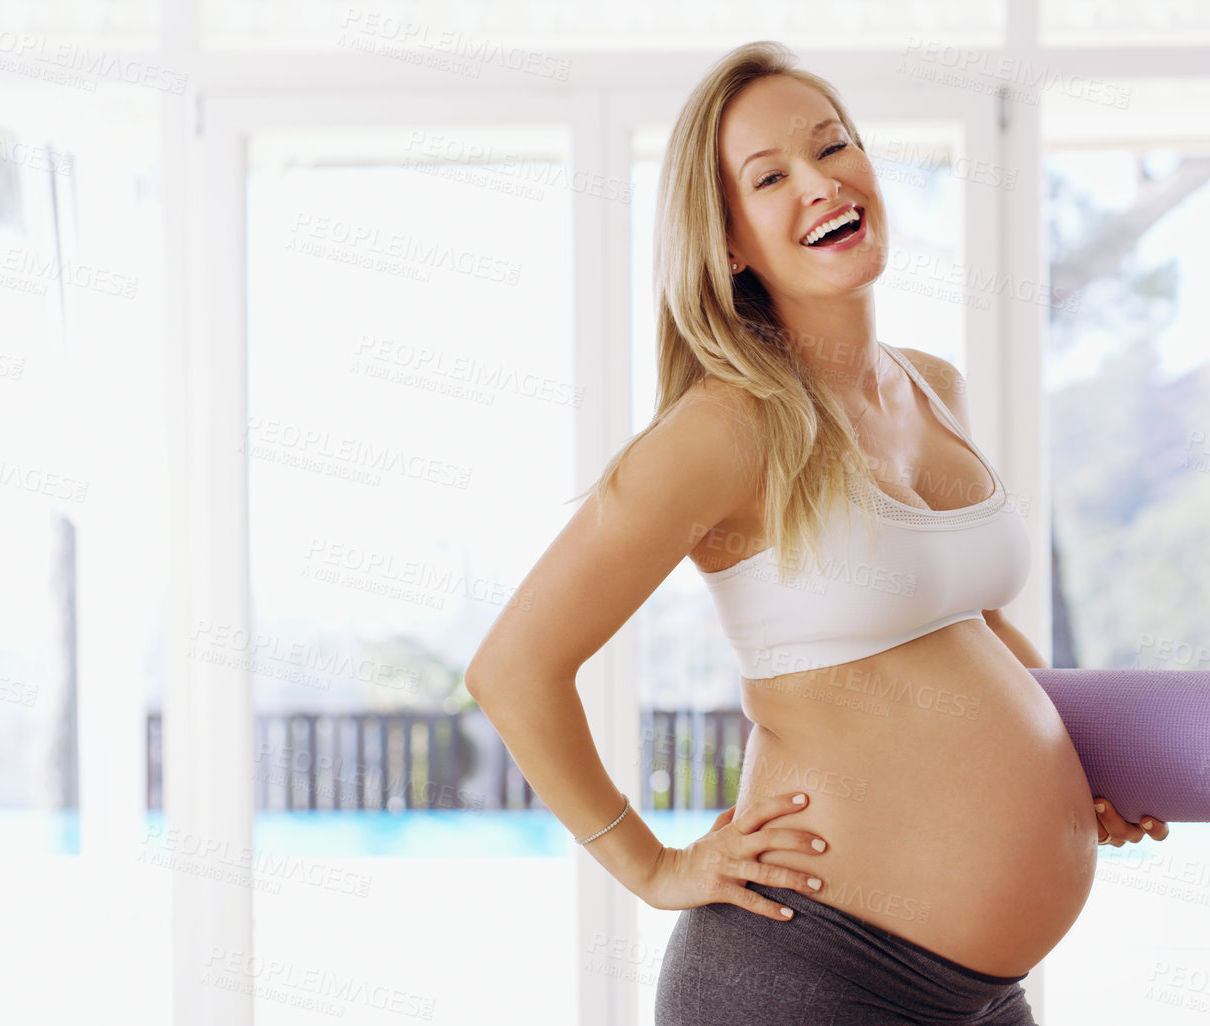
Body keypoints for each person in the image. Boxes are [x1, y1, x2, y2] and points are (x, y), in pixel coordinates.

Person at [465, 40, 1168, 1026]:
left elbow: (973, 633)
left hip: (982, 994)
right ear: (732, 242)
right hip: (807, 977)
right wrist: (651, 864)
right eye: (770, 176)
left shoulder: (936, 387)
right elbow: (512, 669)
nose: (822, 183)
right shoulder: (723, 429)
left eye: (833, 147)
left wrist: (1080, 765)